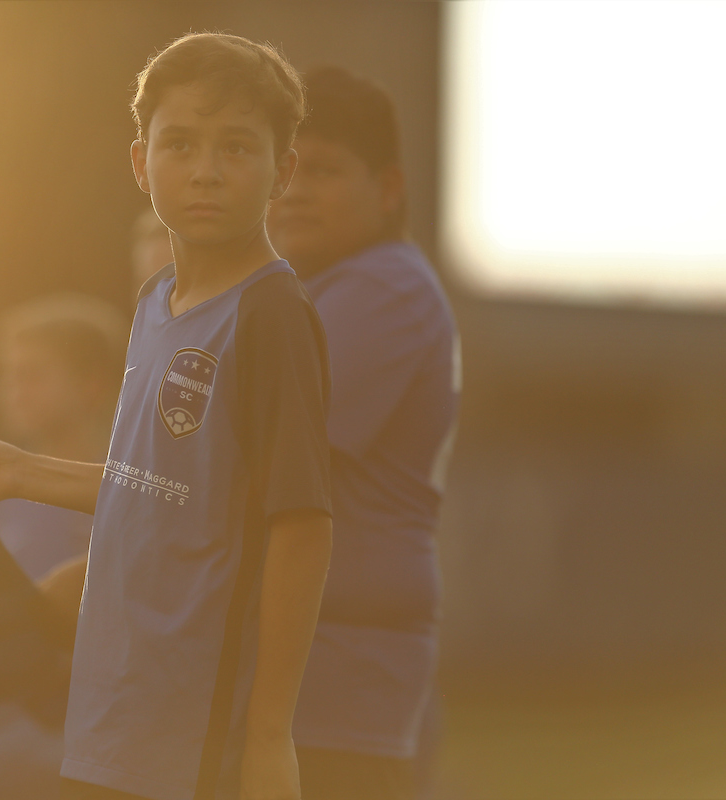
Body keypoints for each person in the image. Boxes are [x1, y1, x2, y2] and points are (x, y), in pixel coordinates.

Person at [0, 32, 334, 800]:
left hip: (198, 723)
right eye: (179, 143)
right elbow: (158, 486)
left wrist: (269, 733)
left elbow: (302, 527)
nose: (206, 171)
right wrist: (18, 471)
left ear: (282, 172)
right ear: (139, 162)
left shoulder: (272, 314)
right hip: (113, 711)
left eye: (237, 148)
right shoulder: (156, 305)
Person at [265, 67, 461, 800]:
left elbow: (234, 450)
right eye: (285, 168)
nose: (296, 190)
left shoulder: (382, 287)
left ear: (389, 190)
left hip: (340, 686)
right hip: (321, 678)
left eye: (323, 169)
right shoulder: (326, 288)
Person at [0, 293, 128, 584]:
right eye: (8, 376)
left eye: (32, 376)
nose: (15, 394)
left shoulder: (130, 490)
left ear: (92, 385)